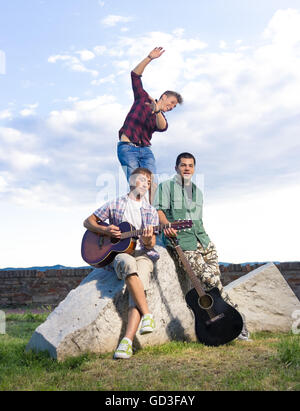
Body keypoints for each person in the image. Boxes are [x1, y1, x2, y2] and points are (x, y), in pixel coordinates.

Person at [154, 152, 251, 341]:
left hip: (204, 241)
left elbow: (198, 219)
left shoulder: (197, 191)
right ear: (176, 168)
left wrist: (205, 242)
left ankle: (225, 326)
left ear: (194, 169)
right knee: (213, 283)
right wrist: (167, 226)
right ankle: (238, 324)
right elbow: (159, 211)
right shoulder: (166, 187)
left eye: (190, 165)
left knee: (215, 284)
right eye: (183, 165)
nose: (187, 168)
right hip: (184, 243)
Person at [83, 167, 159, 359]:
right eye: (142, 180)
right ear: (132, 181)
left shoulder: (150, 211)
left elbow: (151, 244)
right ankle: (147, 315)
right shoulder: (115, 204)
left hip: (142, 253)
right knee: (127, 264)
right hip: (121, 255)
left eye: (149, 182)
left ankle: (126, 341)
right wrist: (106, 230)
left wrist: (149, 239)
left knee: (139, 280)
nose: (146, 184)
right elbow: (88, 222)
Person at [117, 47, 183, 186]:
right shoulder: (143, 98)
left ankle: (151, 208)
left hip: (146, 151)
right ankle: (135, 205)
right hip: (128, 147)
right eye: (171, 103)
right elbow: (135, 75)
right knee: (137, 184)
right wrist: (149, 58)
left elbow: (163, 127)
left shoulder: (161, 117)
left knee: (152, 184)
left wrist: (158, 111)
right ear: (164, 97)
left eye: (174, 107)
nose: (171, 107)